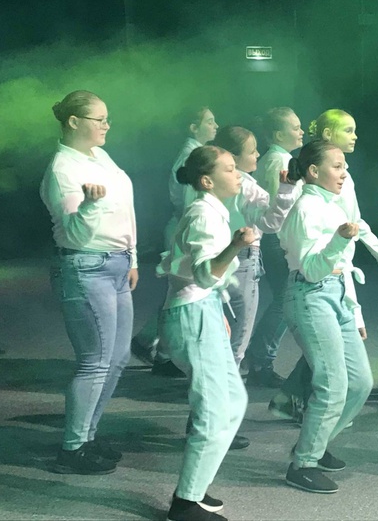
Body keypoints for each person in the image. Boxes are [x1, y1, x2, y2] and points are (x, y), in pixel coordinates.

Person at [267, 109, 378, 423]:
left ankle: (297, 404)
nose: (355, 136)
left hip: (333, 276)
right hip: (317, 275)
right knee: (329, 359)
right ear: (328, 135)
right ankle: (308, 416)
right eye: (348, 130)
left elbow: (353, 225)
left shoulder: (337, 180)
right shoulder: (314, 189)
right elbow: (324, 244)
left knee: (337, 358)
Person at [41, 90, 138, 475]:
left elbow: (126, 208)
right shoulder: (63, 169)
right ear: (74, 122)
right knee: (95, 361)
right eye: (100, 119)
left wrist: (132, 256)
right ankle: (72, 448)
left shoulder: (99, 157)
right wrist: (91, 206)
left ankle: (87, 436)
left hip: (115, 264)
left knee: (117, 358)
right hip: (85, 267)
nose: (107, 125)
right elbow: (75, 235)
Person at [157, 145, 253, 521]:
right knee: (214, 410)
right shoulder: (203, 214)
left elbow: (205, 280)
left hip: (203, 311)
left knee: (234, 401)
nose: (238, 174)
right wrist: (236, 246)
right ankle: (184, 504)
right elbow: (203, 273)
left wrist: (218, 310)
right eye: (229, 169)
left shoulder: (213, 211)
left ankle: (195, 487)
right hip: (192, 315)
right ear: (207, 180)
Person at [278, 141, 373, 494]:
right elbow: (313, 270)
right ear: (314, 171)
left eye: (344, 165)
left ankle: (313, 446)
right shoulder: (305, 209)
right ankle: (303, 464)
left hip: (336, 295)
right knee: (332, 385)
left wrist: (355, 311)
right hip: (310, 296)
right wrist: (338, 241)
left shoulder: (332, 204)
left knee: (360, 383)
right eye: (337, 166)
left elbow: (339, 268)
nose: (344, 172)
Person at [131, 107, 218, 377]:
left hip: (184, 229)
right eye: (210, 121)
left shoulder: (195, 153)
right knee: (183, 294)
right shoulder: (193, 157)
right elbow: (193, 203)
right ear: (193, 127)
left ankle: (152, 343)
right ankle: (164, 354)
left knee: (180, 294)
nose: (216, 126)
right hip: (186, 230)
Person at [212, 125, 297, 369]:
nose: (258, 154)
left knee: (217, 322)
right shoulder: (246, 187)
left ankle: (214, 376)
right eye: (252, 151)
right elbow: (270, 223)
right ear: (233, 156)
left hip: (218, 255)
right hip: (243, 257)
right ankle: (228, 380)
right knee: (240, 330)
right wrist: (286, 191)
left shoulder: (212, 182)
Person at [245, 107, 304, 387]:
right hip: (278, 239)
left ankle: (259, 357)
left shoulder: (278, 158)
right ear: (279, 135)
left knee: (284, 301)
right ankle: (260, 359)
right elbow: (277, 207)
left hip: (279, 238)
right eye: (295, 127)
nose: (301, 131)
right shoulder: (279, 160)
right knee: (284, 302)